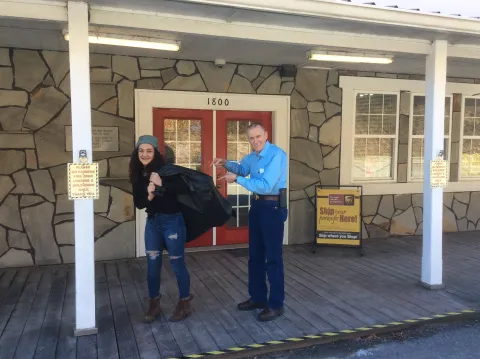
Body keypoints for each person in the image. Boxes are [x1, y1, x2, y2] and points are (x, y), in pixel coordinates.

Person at [212, 122, 288, 322]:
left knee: (273, 258)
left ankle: (276, 304)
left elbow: (264, 186)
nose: (255, 141)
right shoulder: (252, 158)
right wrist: (225, 163)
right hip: (256, 207)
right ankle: (258, 298)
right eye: (251, 138)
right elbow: (242, 167)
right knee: (255, 256)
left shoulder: (276, 155)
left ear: (266, 134)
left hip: (272, 208)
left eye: (258, 136)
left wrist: (237, 179)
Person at [129, 135, 194, 323]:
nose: (144, 154)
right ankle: (154, 303)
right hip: (153, 223)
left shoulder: (166, 170)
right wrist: (149, 195)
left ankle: (184, 303)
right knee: (152, 266)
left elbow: (184, 189)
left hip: (172, 222)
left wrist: (162, 183)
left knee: (177, 263)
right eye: (141, 151)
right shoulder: (137, 174)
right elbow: (139, 204)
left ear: (155, 152)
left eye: (149, 151)